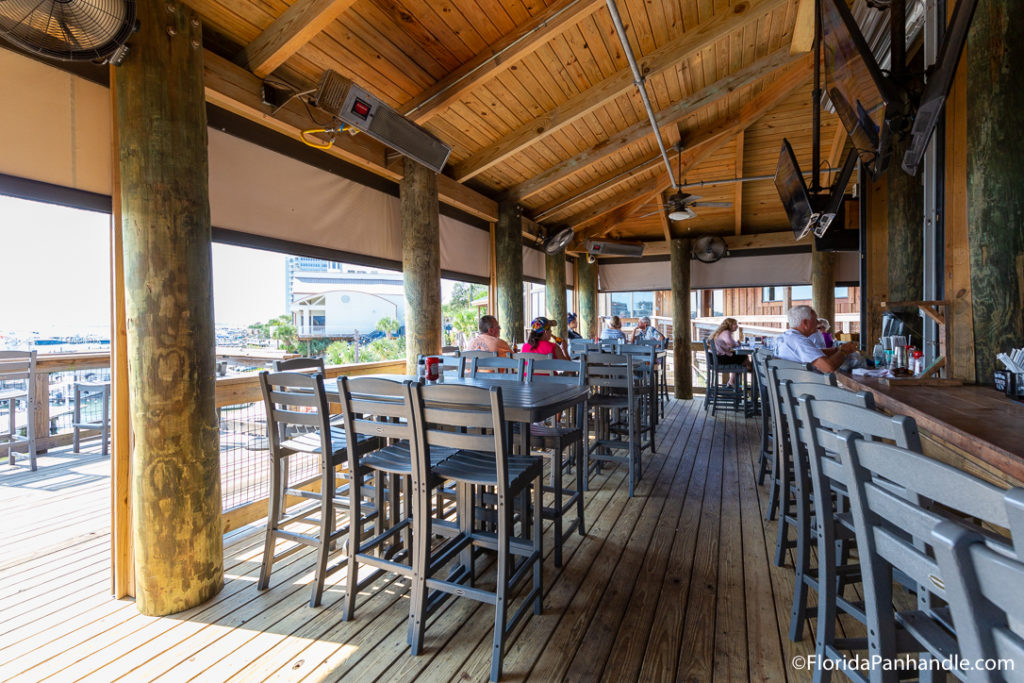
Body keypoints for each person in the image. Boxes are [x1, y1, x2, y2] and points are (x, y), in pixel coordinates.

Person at [775, 305, 857, 373]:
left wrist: (838, 349)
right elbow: (828, 368)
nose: (818, 323)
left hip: (793, 386)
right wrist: (844, 351)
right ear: (805, 323)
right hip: (807, 389)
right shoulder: (799, 341)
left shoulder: (786, 337)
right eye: (815, 320)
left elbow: (815, 353)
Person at [708, 317, 751, 385]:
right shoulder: (726, 332)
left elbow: (729, 344)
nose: (737, 326)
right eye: (734, 324)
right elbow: (731, 344)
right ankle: (750, 369)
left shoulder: (721, 332)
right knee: (743, 357)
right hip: (719, 359)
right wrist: (737, 343)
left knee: (740, 358)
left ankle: (733, 380)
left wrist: (735, 344)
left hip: (714, 358)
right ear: (729, 325)